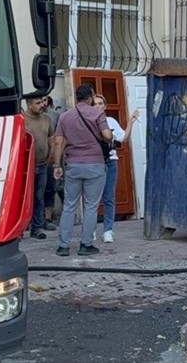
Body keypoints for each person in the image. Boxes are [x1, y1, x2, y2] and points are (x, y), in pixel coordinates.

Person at [51, 83, 113, 257]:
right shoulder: (98, 113)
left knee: (69, 205)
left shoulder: (65, 116)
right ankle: (85, 244)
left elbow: (58, 142)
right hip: (95, 165)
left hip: (73, 165)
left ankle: (63, 246)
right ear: (91, 96)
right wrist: (110, 137)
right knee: (91, 206)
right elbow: (107, 135)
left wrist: (57, 165)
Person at [93, 94, 139, 243]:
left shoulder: (110, 121)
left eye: (100, 103)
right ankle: (91, 229)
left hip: (111, 161)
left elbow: (123, 138)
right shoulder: (88, 121)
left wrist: (130, 122)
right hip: (94, 162)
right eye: (95, 104)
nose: (98, 106)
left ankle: (108, 230)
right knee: (92, 198)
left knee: (109, 197)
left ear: (105, 106)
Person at [23, 90, 56, 239]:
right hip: (25, 167)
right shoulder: (22, 119)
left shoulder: (47, 119)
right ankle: (20, 230)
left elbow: (51, 137)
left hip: (42, 164)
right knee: (23, 198)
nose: (42, 105)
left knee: (39, 197)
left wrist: (52, 153)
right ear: (29, 105)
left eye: (42, 102)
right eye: (37, 103)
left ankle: (37, 228)